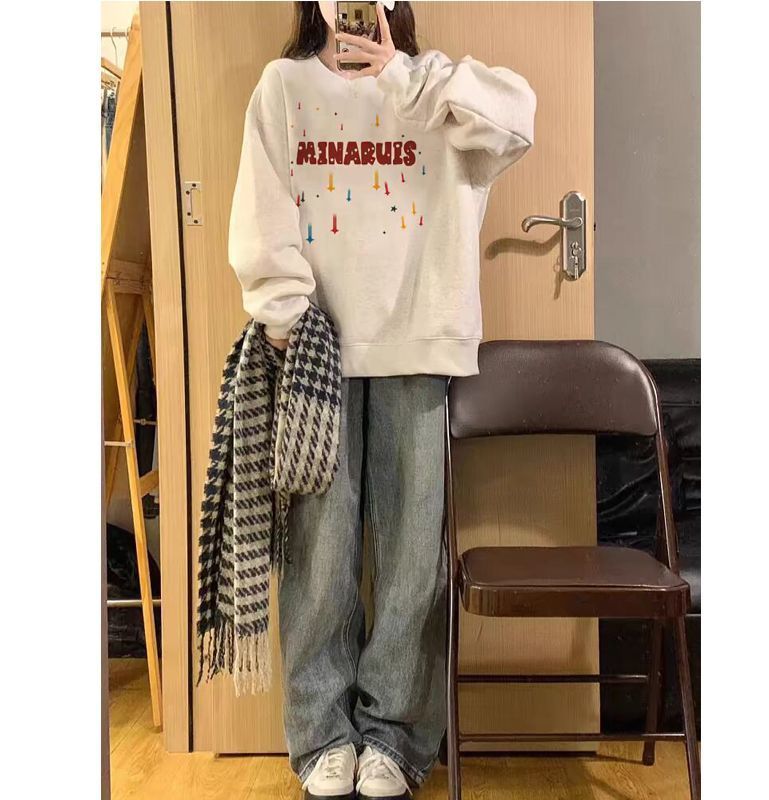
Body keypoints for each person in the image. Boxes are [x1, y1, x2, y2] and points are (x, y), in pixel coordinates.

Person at [228, 2, 536, 798]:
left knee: (409, 561)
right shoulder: (284, 86)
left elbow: (517, 121)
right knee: (319, 557)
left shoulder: (436, 89)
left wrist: (406, 74)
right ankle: (321, 735)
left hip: (418, 343)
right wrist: (286, 314)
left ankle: (394, 737)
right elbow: (261, 209)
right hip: (317, 352)